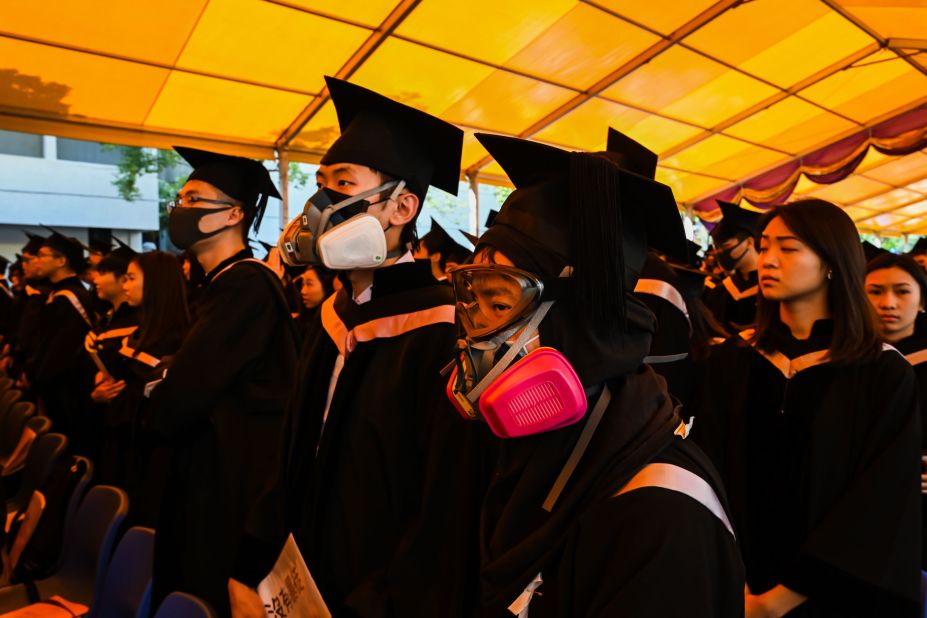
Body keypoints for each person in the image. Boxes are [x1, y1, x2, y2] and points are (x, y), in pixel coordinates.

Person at [449, 132, 743, 617]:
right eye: (472, 301)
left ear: (575, 321)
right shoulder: (544, 444)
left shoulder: (661, 511)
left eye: (499, 303)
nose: (476, 331)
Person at [273, 76, 488, 617]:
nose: (321, 202)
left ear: (401, 208)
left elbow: (442, 507)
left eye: (342, 185)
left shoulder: (443, 327)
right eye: (319, 184)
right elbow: (294, 446)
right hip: (303, 569)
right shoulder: (332, 313)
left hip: (378, 592)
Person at [691, 199, 921, 617]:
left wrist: (776, 602)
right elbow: (707, 474)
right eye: (764, 247)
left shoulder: (882, 373)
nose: (769, 259)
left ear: (831, 261)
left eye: (789, 247)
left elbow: (880, 501)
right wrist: (728, 579)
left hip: (838, 597)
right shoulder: (734, 362)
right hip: (734, 589)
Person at [146, 146, 298, 616]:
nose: (180, 209)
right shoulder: (224, 284)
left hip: (229, 483)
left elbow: (181, 398)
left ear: (234, 213)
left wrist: (158, 387)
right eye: (180, 199)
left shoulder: (244, 286)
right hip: (218, 470)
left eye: (194, 199)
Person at [864, 252, 927, 569]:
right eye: (874, 292)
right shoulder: (839, 362)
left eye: (902, 291)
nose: (888, 303)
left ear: (922, 300)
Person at [26, 232, 96, 449]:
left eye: (42, 255)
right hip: (56, 389)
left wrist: (38, 377)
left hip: (69, 393)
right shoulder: (60, 294)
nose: (37, 261)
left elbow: (60, 351)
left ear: (61, 260)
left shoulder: (70, 298)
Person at [704, 200, 761, 332]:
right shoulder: (720, 291)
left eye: (726, 246)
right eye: (717, 248)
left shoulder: (771, 289)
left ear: (749, 242)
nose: (721, 254)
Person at [413, 216, 473, 282]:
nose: (413, 256)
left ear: (436, 257)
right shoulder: (422, 283)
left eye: (418, 251)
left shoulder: (448, 288)